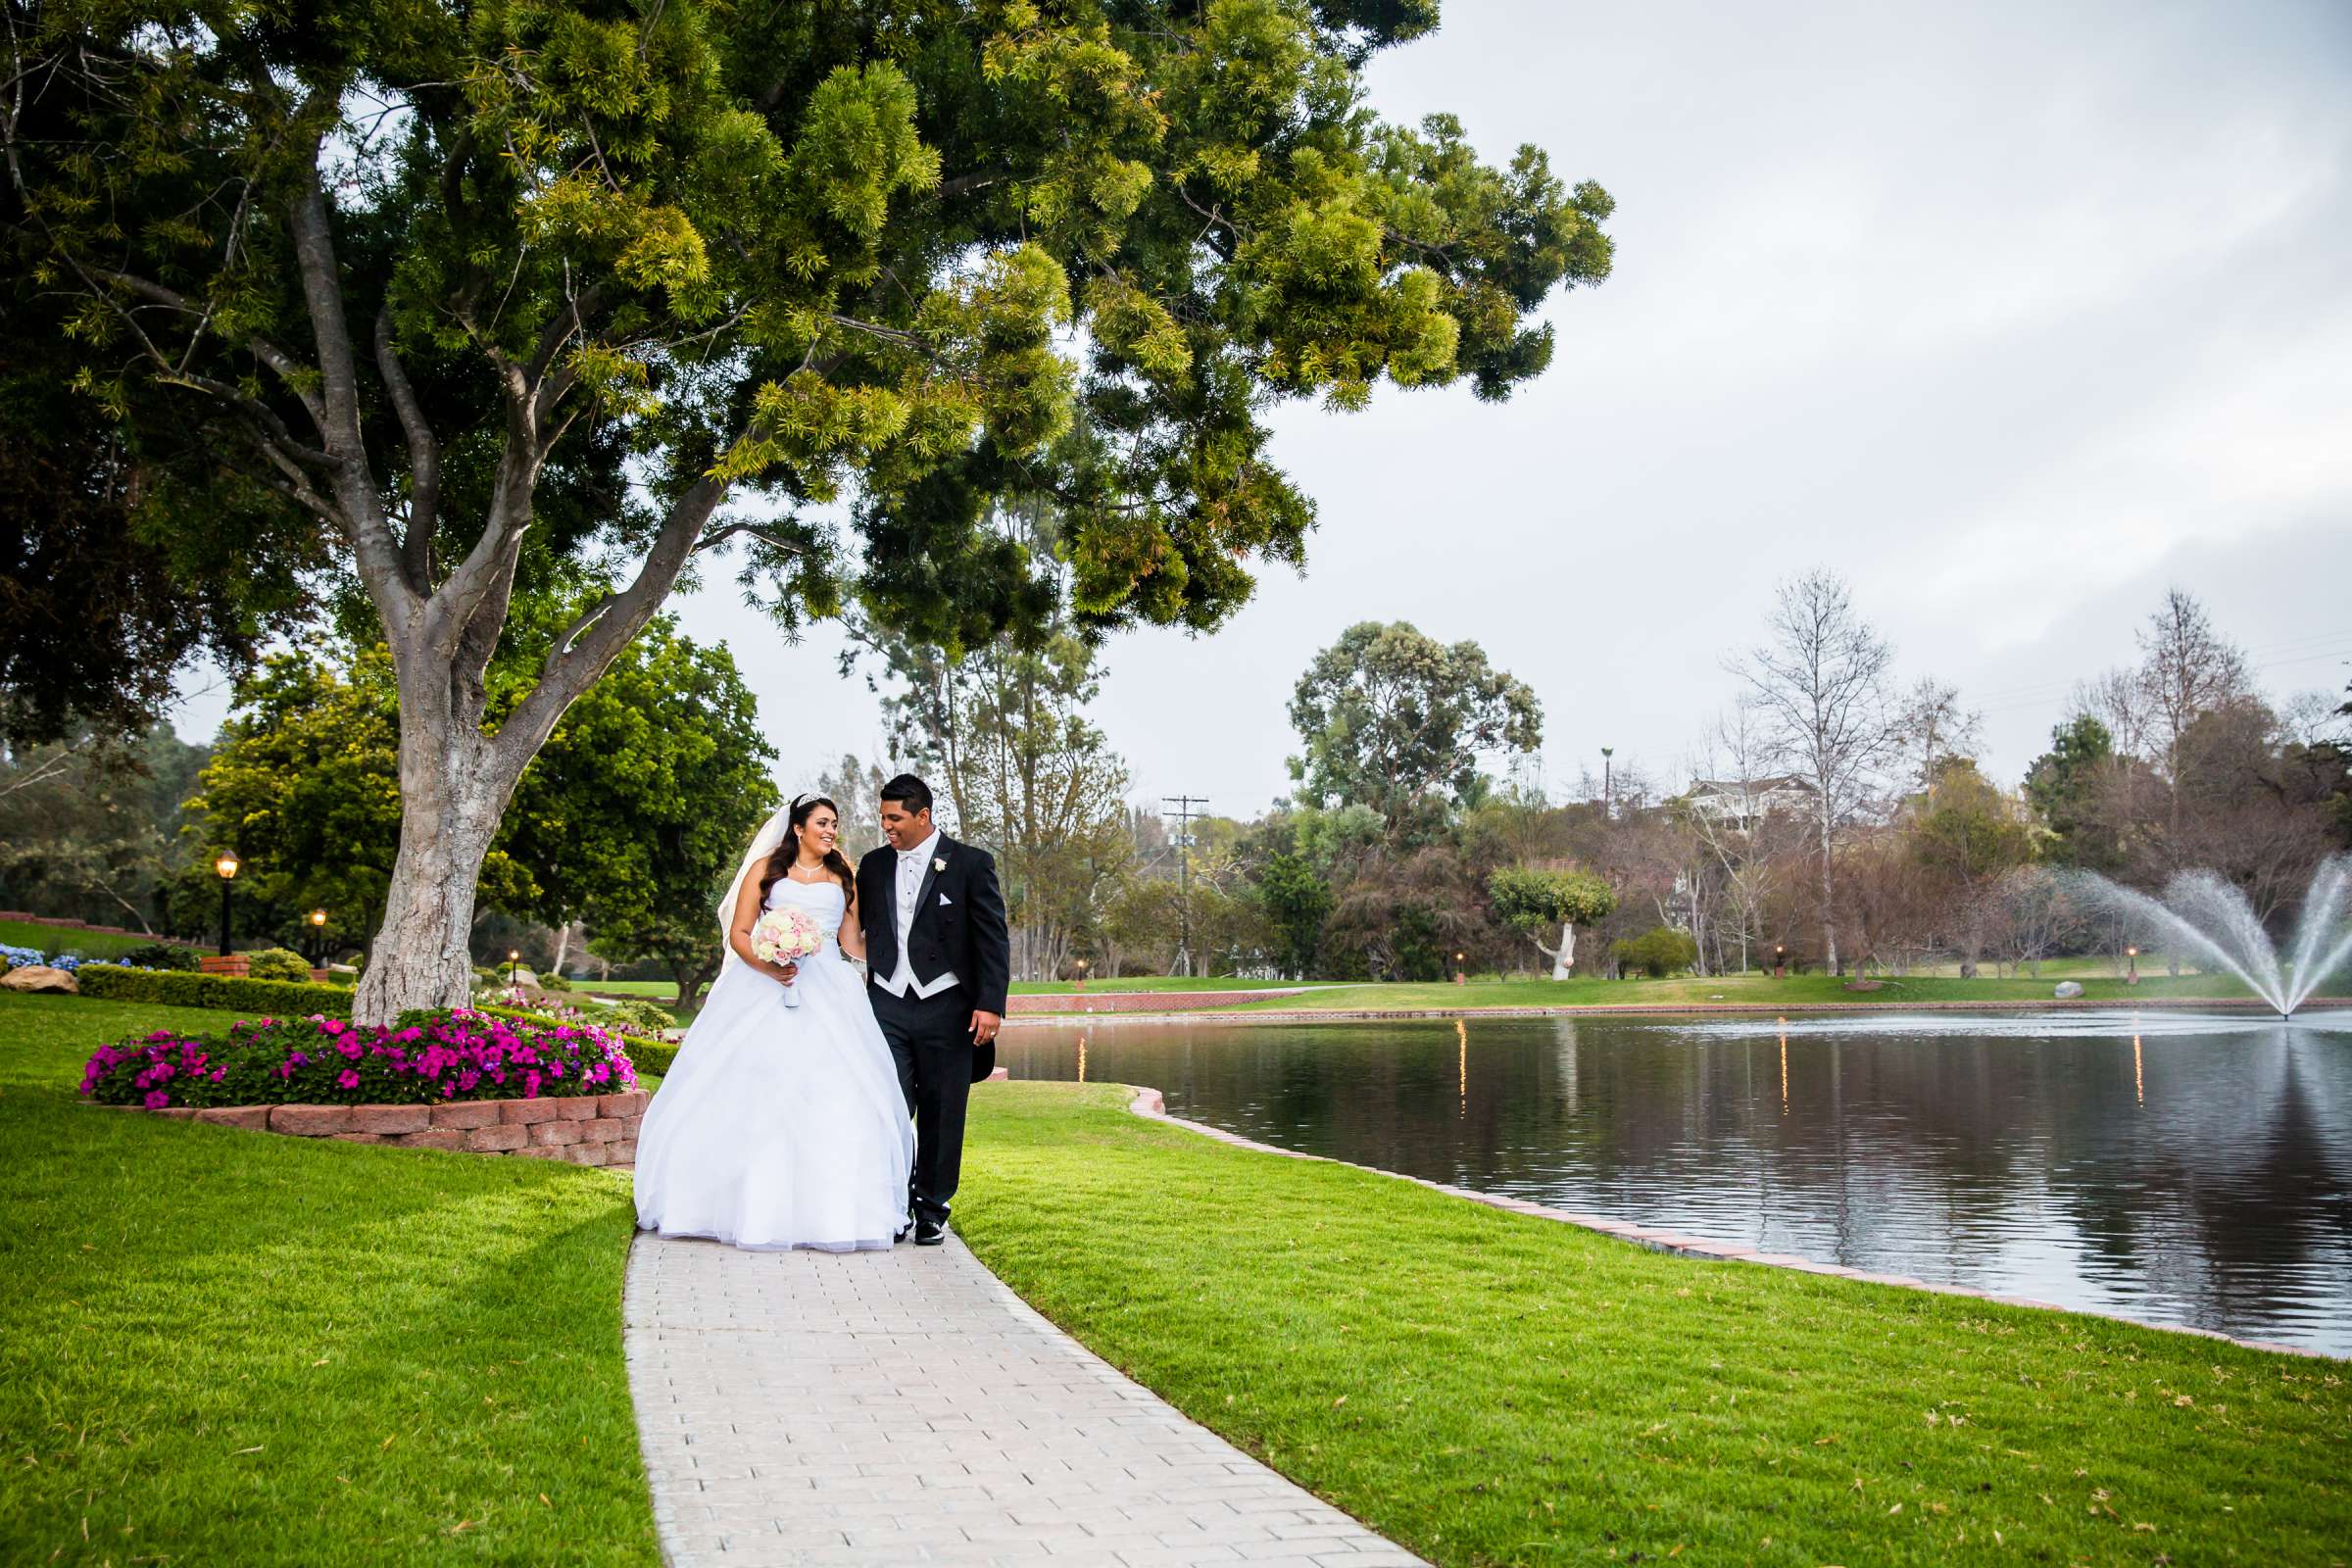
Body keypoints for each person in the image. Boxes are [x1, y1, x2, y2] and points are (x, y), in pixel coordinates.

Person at [632, 795, 912, 1251]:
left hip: (828, 990)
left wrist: (899, 952)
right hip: (762, 985)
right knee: (750, 1085)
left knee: (834, 1091)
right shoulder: (766, 869)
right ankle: (736, 1205)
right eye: (822, 823)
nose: (830, 831)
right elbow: (739, 932)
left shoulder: (843, 874)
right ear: (798, 828)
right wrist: (768, 965)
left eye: (835, 825)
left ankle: (831, 1212)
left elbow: (849, 941)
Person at [856, 773, 1010, 1246]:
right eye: (882, 817)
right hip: (885, 1002)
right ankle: (893, 1203)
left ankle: (931, 1209)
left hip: (948, 1006)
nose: (886, 826)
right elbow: (853, 927)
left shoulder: (970, 864)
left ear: (923, 816)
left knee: (944, 1109)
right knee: (889, 1105)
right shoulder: (873, 865)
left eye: (895, 817)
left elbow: (992, 938)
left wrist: (990, 1004)